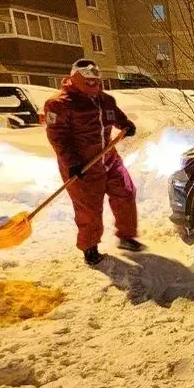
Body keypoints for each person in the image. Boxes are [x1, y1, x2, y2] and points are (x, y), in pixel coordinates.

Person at [44, 59, 143, 266]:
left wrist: (126, 125)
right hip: (82, 163)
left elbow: (116, 117)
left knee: (125, 191)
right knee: (89, 208)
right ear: (75, 78)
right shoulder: (59, 104)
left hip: (108, 157)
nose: (93, 85)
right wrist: (72, 163)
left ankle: (126, 236)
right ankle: (89, 247)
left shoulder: (105, 99)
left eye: (96, 81)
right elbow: (58, 137)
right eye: (88, 81)